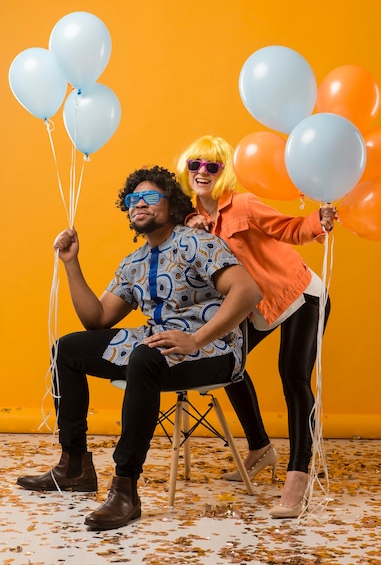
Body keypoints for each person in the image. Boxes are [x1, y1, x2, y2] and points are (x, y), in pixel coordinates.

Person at [17, 165, 262, 531]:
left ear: (173, 204)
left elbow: (247, 291)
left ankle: (125, 489)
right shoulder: (132, 263)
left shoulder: (198, 242)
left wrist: (196, 339)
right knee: (67, 349)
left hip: (215, 350)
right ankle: (74, 466)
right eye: (133, 199)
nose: (139, 204)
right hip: (156, 345)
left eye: (149, 196)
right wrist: (71, 263)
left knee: (145, 355)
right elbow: (97, 319)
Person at [175, 136, 336, 519]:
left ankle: (298, 474)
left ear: (223, 171)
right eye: (196, 164)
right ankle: (261, 447)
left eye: (212, 166)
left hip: (299, 294)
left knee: (293, 377)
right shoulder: (190, 218)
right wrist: (196, 232)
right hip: (255, 308)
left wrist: (319, 222)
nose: (202, 172)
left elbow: (288, 229)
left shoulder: (242, 204)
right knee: (228, 366)